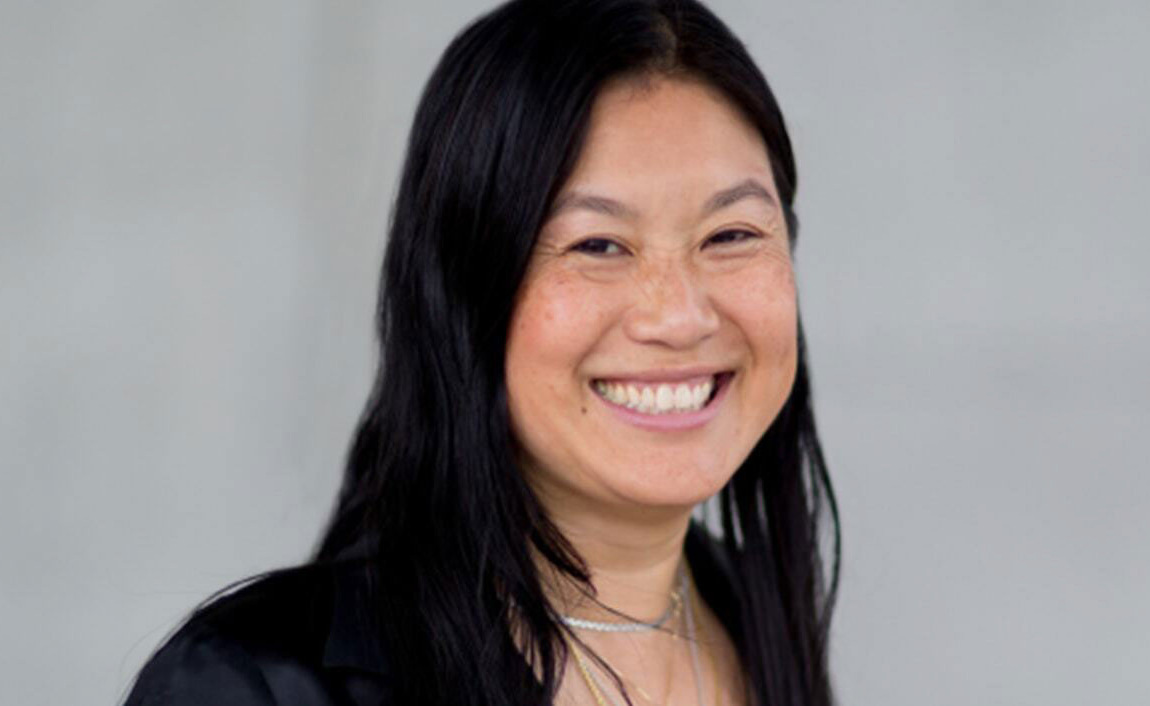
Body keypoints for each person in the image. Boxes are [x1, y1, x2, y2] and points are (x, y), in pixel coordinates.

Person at [122, 0, 838, 704]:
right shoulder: (252, 686)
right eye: (597, 245)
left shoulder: (754, 622)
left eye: (733, 235)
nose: (680, 316)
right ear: (460, 294)